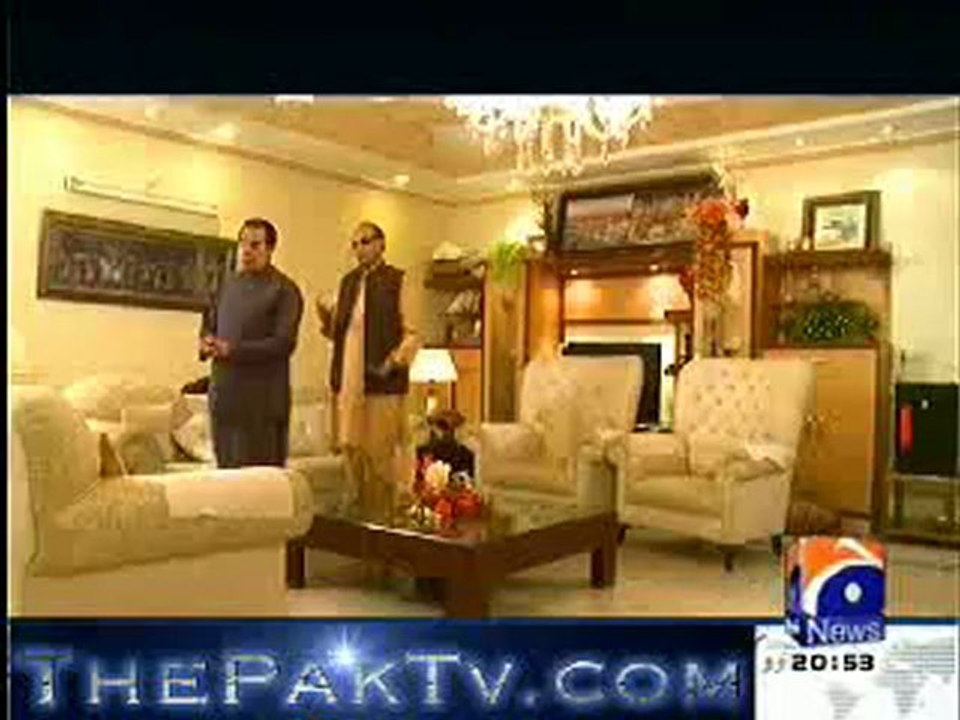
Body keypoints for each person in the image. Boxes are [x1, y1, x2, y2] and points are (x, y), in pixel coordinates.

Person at [317, 221, 420, 523]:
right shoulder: (348, 282)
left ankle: (384, 523)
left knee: (380, 456)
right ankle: (359, 523)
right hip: (348, 380)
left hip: (382, 381)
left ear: (381, 244)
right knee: (352, 452)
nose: (359, 249)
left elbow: (413, 334)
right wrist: (324, 311)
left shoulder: (398, 280)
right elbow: (337, 331)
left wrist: (394, 360)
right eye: (355, 244)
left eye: (365, 241)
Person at [200, 218, 304, 468]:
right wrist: (206, 342)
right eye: (243, 243)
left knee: (261, 481)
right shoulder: (227, 284)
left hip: (263, 403)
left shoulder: (285, 290)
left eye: (255, 245)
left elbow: (283, 343)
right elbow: (209, 323)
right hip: (225, 398)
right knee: (227, 478)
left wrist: (232, 350)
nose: (246, 251)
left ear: (270, 249)